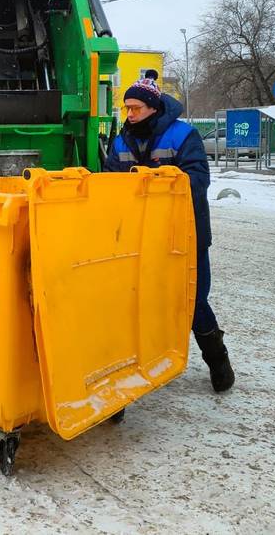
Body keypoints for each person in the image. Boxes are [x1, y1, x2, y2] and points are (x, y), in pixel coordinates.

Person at [103, 78, 235, 392]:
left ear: (153, 108)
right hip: (141, 237)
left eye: (135, 108)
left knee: (192, 300)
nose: (130, 114)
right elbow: (108, 179)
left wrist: (155, 181)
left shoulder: (182, 135)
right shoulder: (122, 141)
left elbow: (198, 179)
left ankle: (219, 363)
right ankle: (137, 369)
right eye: (127, 108)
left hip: (184, 234)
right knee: (138, 300)